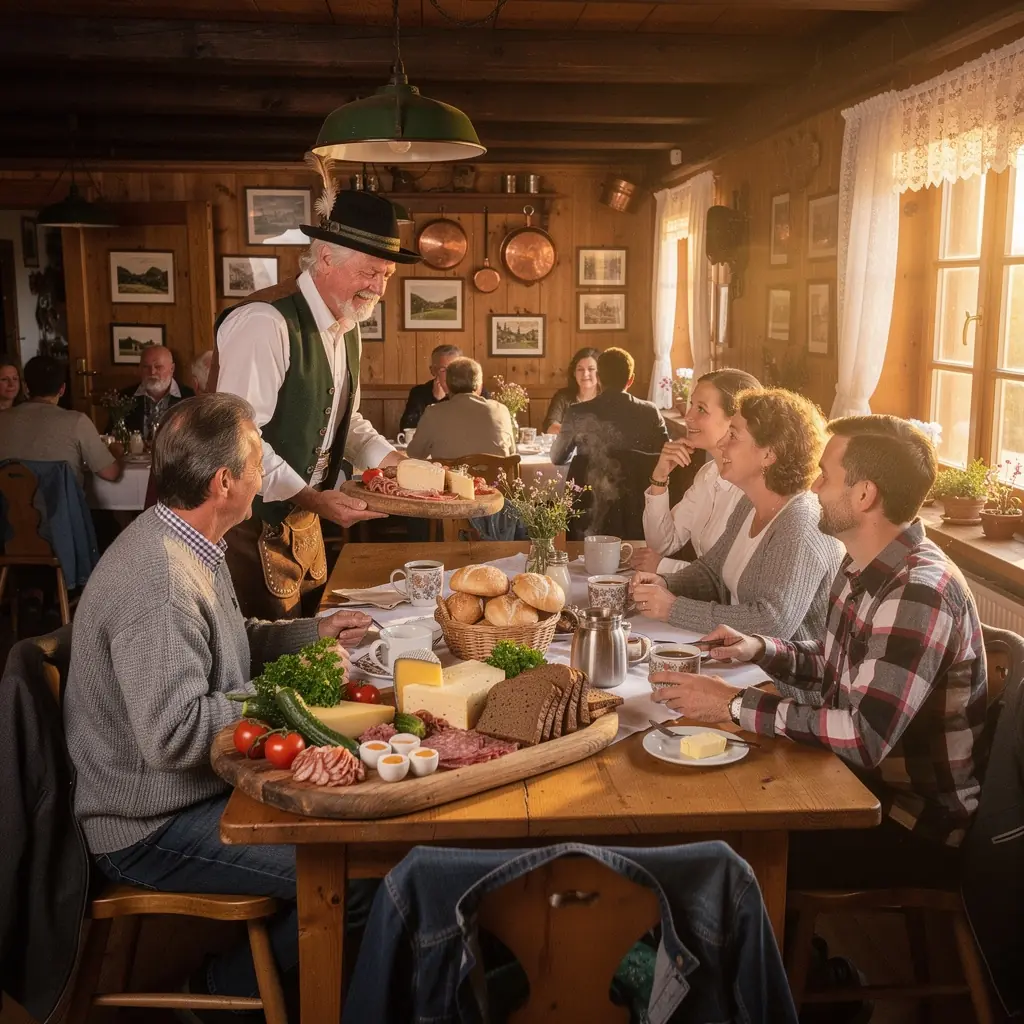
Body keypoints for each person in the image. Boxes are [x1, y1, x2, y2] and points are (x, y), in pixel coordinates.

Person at [63, 394, 375, 1014]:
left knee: (357, 833)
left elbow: (228, 645)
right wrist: (296, 691)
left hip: (193, 792)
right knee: (358, 877)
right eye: (258, 463)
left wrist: (312, 632)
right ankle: (217, 991)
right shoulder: (160, 580)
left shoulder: (186, 541)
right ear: (224, 481)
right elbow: (174, 734)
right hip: (146, 825)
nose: (265, 476)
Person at [651, 415, 987, 890]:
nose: (814, 486)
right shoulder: (863, 564)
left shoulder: (919, 591)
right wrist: (760, 648)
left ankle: (775, 958)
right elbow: (837, 663)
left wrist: (730, 704)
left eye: (826, 475)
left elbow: (862, 736)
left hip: (904, 823)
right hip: (854, 786)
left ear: (864, 495)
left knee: (719, 849)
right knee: (704, 805)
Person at [214, 189, 421, 619]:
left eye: (385, 275)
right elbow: (237, 443)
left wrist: (401, 466)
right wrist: (314, 497)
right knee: (265, 667)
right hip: (246, 528)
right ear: (325, 258)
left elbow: (350, 423)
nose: (378, 288)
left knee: (311, 648)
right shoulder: (264, 322)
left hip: (303, 527)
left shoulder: (348, 326)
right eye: (369, 272)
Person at [631, 388, 842, 641]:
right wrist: (665, 583)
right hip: (741, 661)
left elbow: (772, 623)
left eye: (733, 435)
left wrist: (673, 608)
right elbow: (712, 571)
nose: (721, 443)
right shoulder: (748, 504)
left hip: (777, 678)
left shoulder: (800, 524)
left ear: (768, 454)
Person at [633, 368, 761, 574]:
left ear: (735, 420)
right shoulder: (707, 474)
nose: (689, 416)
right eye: (692, 404)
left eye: (701, 409)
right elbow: (663, 544)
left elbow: (731, 579)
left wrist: (664, 566)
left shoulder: (753, 489)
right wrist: (659, 478)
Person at [550, 347, 669, 538]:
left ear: (599, 378)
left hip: (590, 508)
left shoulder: (577, 413)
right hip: (639, 507)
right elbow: (663, 457)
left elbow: (557, 457)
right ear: (630, 380)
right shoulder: (650, 412)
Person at [0, 355, 121, 486]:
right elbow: (110, 474)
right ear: (62, 389)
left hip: (9, 505)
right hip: (61, 506)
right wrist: (116, 453)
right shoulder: (77, 421)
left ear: (25, 387)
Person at [406, 357, 516, 461]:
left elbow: (414, 454)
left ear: (447, 386)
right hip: (496, 480)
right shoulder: (501, 410)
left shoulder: (433, 413)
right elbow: (512, 452)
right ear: (479, 386)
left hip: (451, 480)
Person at [118, 345, 195, 441]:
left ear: (172, 368)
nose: (152, 372)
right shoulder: (125, 396)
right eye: (146, 367)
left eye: (158, 367)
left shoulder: (190, 397)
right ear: (140, 369)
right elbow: (113, 433)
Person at [542, 346, 600, 434]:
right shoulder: (563, 397)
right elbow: (550, 426)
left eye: (591, 369)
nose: (585, 374)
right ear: (574, 373)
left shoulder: (608, 398)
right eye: (580, 369)